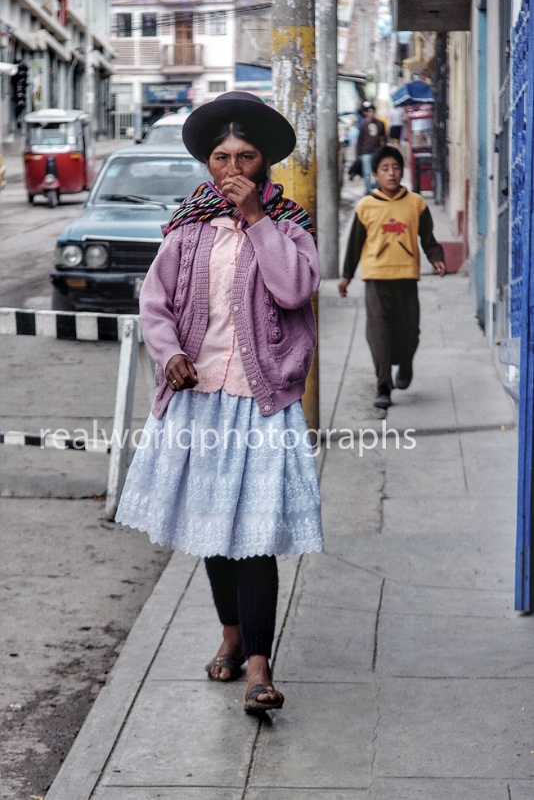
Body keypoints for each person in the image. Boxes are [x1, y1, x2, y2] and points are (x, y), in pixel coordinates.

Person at [115, 91, 323, 716]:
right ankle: (231, 636)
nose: (232, 168)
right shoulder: (186, 229)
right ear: (208, 164)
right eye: (221, 156)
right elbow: (155, 304)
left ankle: (259, 664)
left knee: (255, 536)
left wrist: (257, 218)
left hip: (263, 404)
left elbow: (295, 290)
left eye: (246, 157)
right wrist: (169, 352)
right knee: (215, 530)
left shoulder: (290, 227)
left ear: (265, 165)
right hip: (199, 401)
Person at [338, 145, 446, 409]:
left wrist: (436, 257)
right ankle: (383, 386)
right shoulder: (365, 206)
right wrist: (346, 276)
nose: (391, 173)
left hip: (407, 277)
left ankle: (406, 362)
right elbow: (354, 244)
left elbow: (428, 238)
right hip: (376, 279)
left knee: (410, 331)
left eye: (396, 168)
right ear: (375, 174)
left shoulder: (416, 204)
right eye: (385, 169)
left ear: (402, 171)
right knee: (379, 335)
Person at [355, 102, 386, 195]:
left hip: (377, 151)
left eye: (372, 111)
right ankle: (368, 190)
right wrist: (358, 153)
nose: (370, 113)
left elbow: (384, 137)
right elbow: (360, 140)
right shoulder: (363, 125)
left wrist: (383, 149)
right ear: (365, 113)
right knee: (367, 173)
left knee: (378, 171)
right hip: (365, 152)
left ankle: (377, 187)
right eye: (368, 112)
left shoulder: (380, 124)